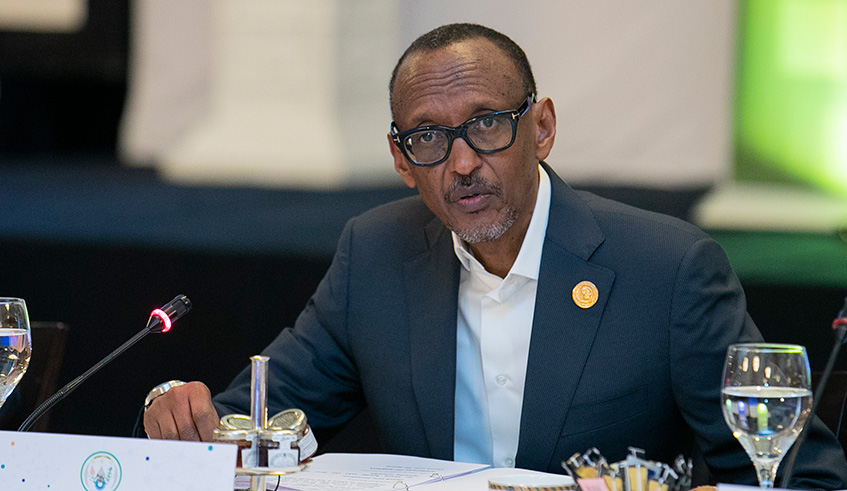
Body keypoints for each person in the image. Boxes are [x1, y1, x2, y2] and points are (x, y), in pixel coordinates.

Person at [141, 23, 847, 487]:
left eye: (485, 125)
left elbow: (795, 473)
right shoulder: (375, 254)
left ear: (540, 127)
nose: (460, 163)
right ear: (398, 157)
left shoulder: (666, 268)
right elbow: (253, 424)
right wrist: (176, 412)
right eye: (427, 137)